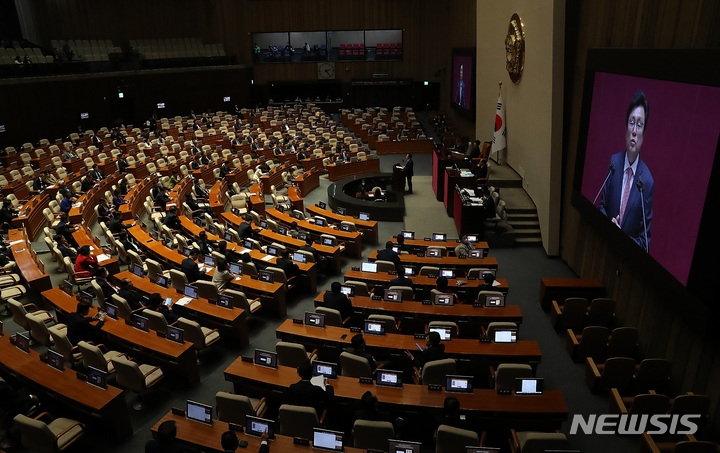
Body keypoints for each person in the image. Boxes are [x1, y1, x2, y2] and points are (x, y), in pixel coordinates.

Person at [598, 91, 654, 252]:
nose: (634, 131)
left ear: (644, 133)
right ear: (625, 127)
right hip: (602, 247)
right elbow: (602, 206)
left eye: (640, 124)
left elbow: (645, 242)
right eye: (631, 122)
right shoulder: (614, 162)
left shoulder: (648, 182)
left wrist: (622, 239)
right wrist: (609, 224)